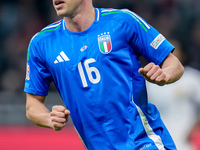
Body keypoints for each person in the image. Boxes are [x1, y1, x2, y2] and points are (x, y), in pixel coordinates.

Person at [24, 0, 184, 149]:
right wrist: (49, 118)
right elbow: (32, 106)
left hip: (144, 142)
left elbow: (174, 64)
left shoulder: (122, 21)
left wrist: (164, 75)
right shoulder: (42, 43)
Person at [146, 40, 200, 150]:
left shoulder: (191, 77)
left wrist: (195, 128)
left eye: (173, 50)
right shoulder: (150, 82)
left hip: (186, 141)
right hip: (159, 141)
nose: (168, 54)